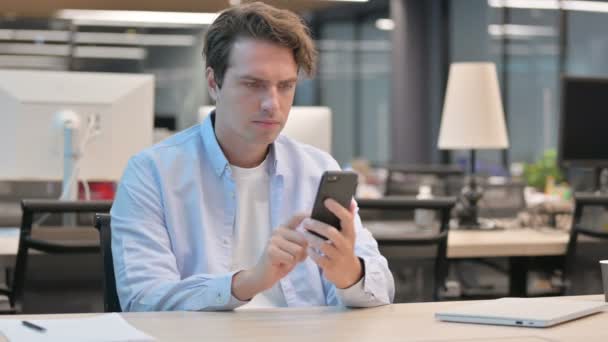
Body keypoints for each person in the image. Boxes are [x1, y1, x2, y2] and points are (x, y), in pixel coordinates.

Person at [110, 1, 394, 311]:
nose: (272, 103)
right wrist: (251, 281)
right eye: (253, 84)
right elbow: (143, 302)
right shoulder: (152, 172)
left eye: (285, 86)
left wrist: (348, 273)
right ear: (213, 83)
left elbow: (382, 288)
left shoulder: (318, 169)